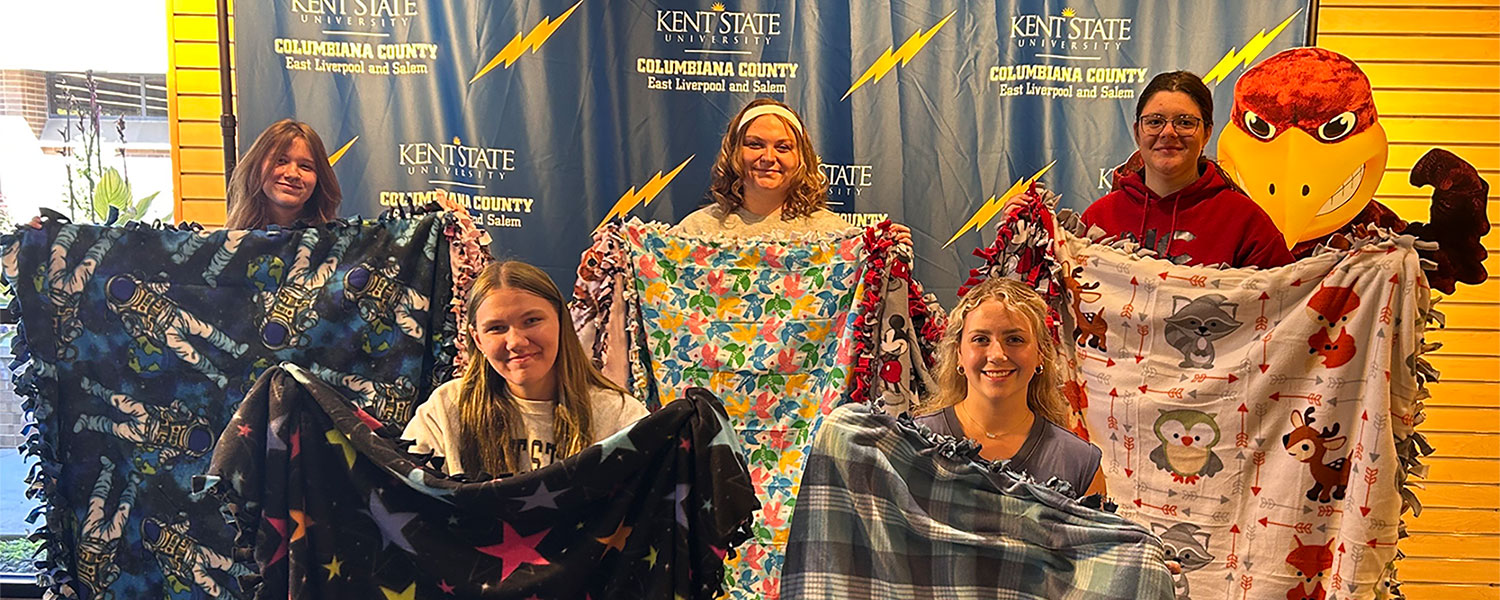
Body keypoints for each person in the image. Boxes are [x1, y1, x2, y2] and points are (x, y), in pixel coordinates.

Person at [403, 261, 647, 476]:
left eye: (532, 321)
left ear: (562, 322)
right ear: (478, 340)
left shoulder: (618, 416)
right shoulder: (446, 409)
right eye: (496, 328)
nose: (517, 342)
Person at [915, 277, 1106, 498]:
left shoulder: (1080, 465)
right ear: (959, 354)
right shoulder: (915, 445)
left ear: (1040, 355)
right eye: (980, 339)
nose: (997, 355)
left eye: (1015, 339)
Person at [1081, 71, 1293, 269]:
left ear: (1207, 133)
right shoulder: (1099, 218)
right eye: (1155, 122)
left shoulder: (1247, 221)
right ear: (1137, 133)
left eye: (1184, 122)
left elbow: (1286, 298)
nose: (1168, 132)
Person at [674, 98, 910, 242]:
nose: (768, 157)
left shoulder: (835, 236)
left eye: (783, 147)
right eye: (755, 144)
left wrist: (886, 256)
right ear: (735, 151)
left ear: (801, 158)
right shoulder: (695, 232)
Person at [223, 119, 342, 229]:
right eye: (281, 161)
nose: (292, 174)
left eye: (305, 166)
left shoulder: (339, 243)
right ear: (256, 167)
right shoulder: (229, 244)